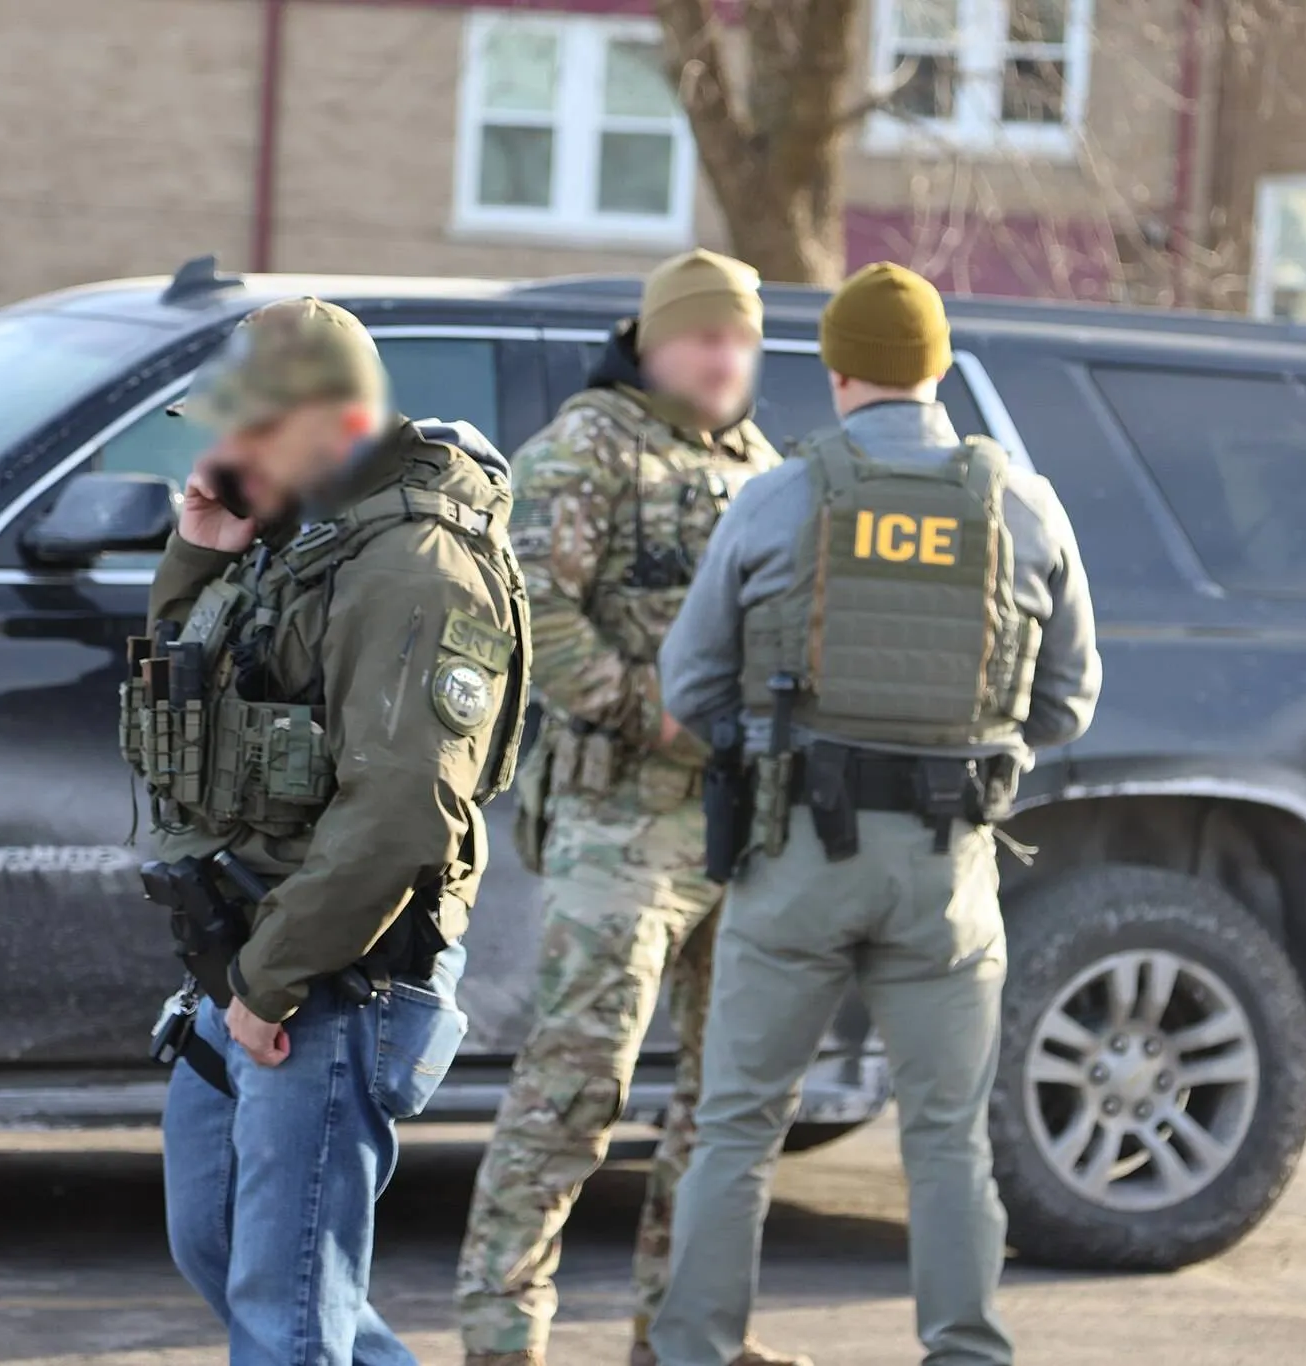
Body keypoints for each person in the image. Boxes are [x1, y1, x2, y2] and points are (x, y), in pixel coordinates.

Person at [649, 263, 1103, 1366]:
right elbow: (1067, 701)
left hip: (794, 853)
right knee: (946, 1140)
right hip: (946, 870)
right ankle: (963, 1351)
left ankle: (694, 1351)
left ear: (837, 371)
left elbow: (689, 684)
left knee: (737, 1128)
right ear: (938, 367)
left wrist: (775, 739)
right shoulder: (1023, 504)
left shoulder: (776, 495)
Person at [131, 297, 530, 1366]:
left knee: (287, 1318)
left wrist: (269, 983)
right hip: (248, 950)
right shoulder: (305, 534)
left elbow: (403, 812)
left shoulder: (411, 566)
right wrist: (199, 553)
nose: (225, 452)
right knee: (224, 1255)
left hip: (329, 975)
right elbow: (190, 714)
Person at [454, 250, 805, 1366]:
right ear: (653, 341)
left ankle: (683, 1335)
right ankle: (501, 1336)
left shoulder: (767, 466)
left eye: (739, 339)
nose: (722, 357)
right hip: (621, 826)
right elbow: (531, 613)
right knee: (575, 1088)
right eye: (703, 336)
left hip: (740, 828)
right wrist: (648, 712)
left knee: (722, 1105)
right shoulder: (583, 448)